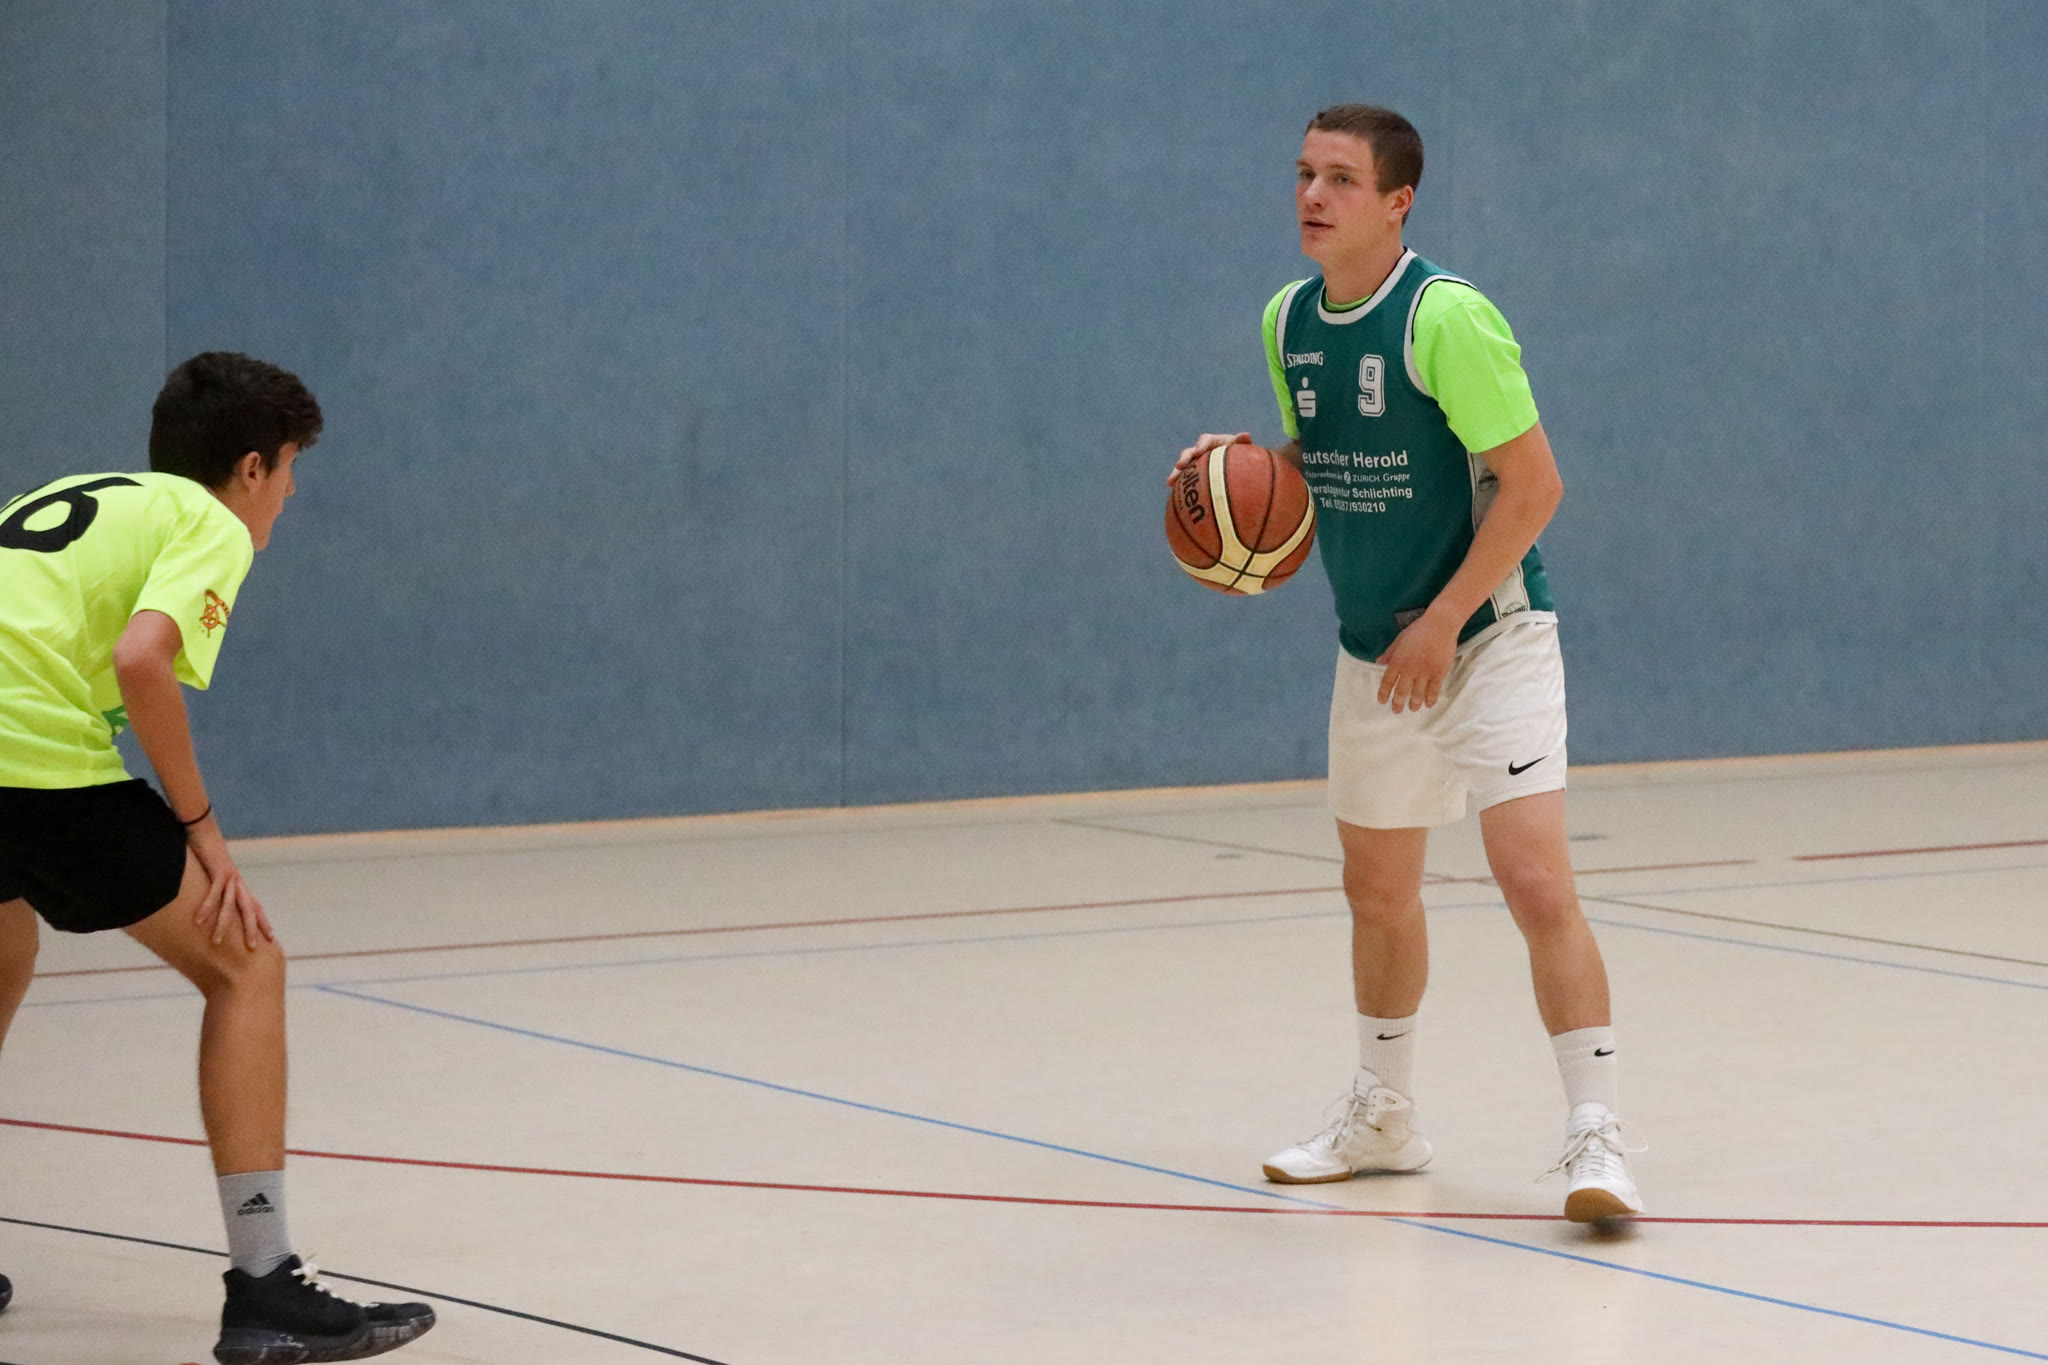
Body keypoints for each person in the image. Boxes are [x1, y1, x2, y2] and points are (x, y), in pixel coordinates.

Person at [1173, 105, 1642, 1220]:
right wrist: (1235, 474)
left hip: (1488, 637)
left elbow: (1535, 486)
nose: (1311, 196)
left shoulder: (1445, 318)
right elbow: (1318, 456)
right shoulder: (1287, 319)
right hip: (1375, 646)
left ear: (1397, 202)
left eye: (1340, 178)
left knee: (1535, 882)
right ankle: (1383, 1117)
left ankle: (1597, 1135)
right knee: (1377, 891)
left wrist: (1442, 619)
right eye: (1303, 173)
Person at [0, 352, 437, 1360]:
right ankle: (266, 1282)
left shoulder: (78, 495)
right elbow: (141, 659)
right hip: (29, 761)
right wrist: (198, 824)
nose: (289, 495)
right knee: (247, 964)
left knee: (5, 948)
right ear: (250, 468)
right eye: (289, 470)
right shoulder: (207, 524)